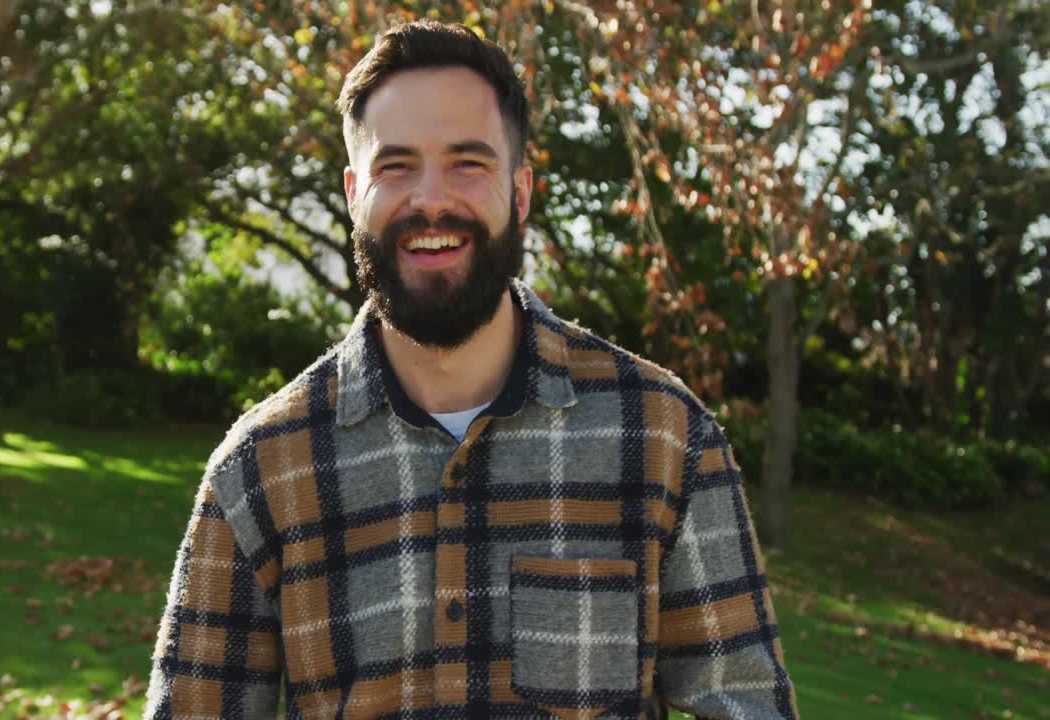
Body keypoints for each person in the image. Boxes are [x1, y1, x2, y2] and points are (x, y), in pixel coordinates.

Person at [145, 19, 798, 720]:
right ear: (352, 193)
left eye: (467, 163)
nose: (431, 200)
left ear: (520, 193)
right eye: (395, 166)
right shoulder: (260, 471)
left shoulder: (666, 439)